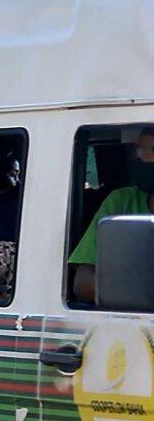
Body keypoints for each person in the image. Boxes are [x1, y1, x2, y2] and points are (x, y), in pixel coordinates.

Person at [69, 127, 154, 303]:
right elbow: (82, 282)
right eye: (139, 150)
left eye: (150, 151)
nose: (140, 158)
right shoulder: (122, 201)